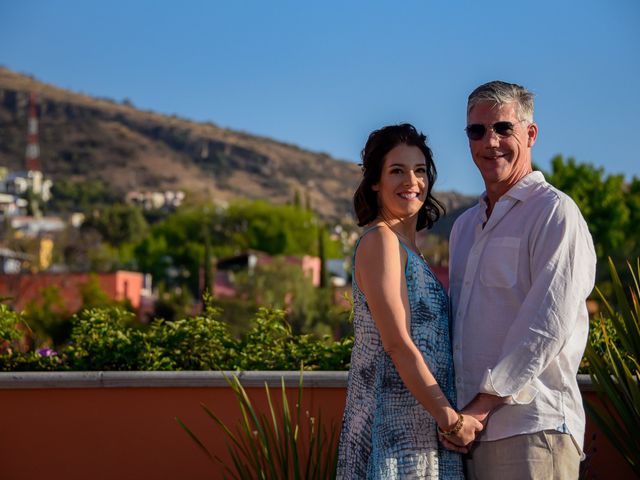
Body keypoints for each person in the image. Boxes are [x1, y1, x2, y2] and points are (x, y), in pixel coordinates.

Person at [447, 81, 597, 479]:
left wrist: (479, 408)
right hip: (469, 435)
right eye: (476, 131)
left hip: (532, 429)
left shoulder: (555, 213)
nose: (490, 141)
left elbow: (546, 325)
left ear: (530, 134)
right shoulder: (463, 228)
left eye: (502, 128)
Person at [337, 123, 483, 479]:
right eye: (397, 171)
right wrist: (450, 420)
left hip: (425, 433)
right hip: (391, 434)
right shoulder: (381, 241)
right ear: (376, 181)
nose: (411, 181)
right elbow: (398, 344)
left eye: (419, 171)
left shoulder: (409, 250)